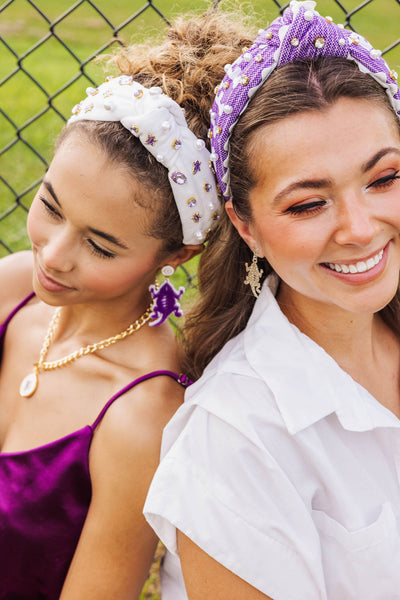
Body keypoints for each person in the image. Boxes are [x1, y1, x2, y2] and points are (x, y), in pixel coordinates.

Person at [144, 2, 400, 599]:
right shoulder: (236, 440)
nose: (360, 228)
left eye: (385, 178)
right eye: (308, 203)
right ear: (246, 226)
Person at [0, 11, 254, 599]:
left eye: (100, 246)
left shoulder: (140, 413)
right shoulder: (14, 288)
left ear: (178, 254)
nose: (54, 256)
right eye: (52, 205)